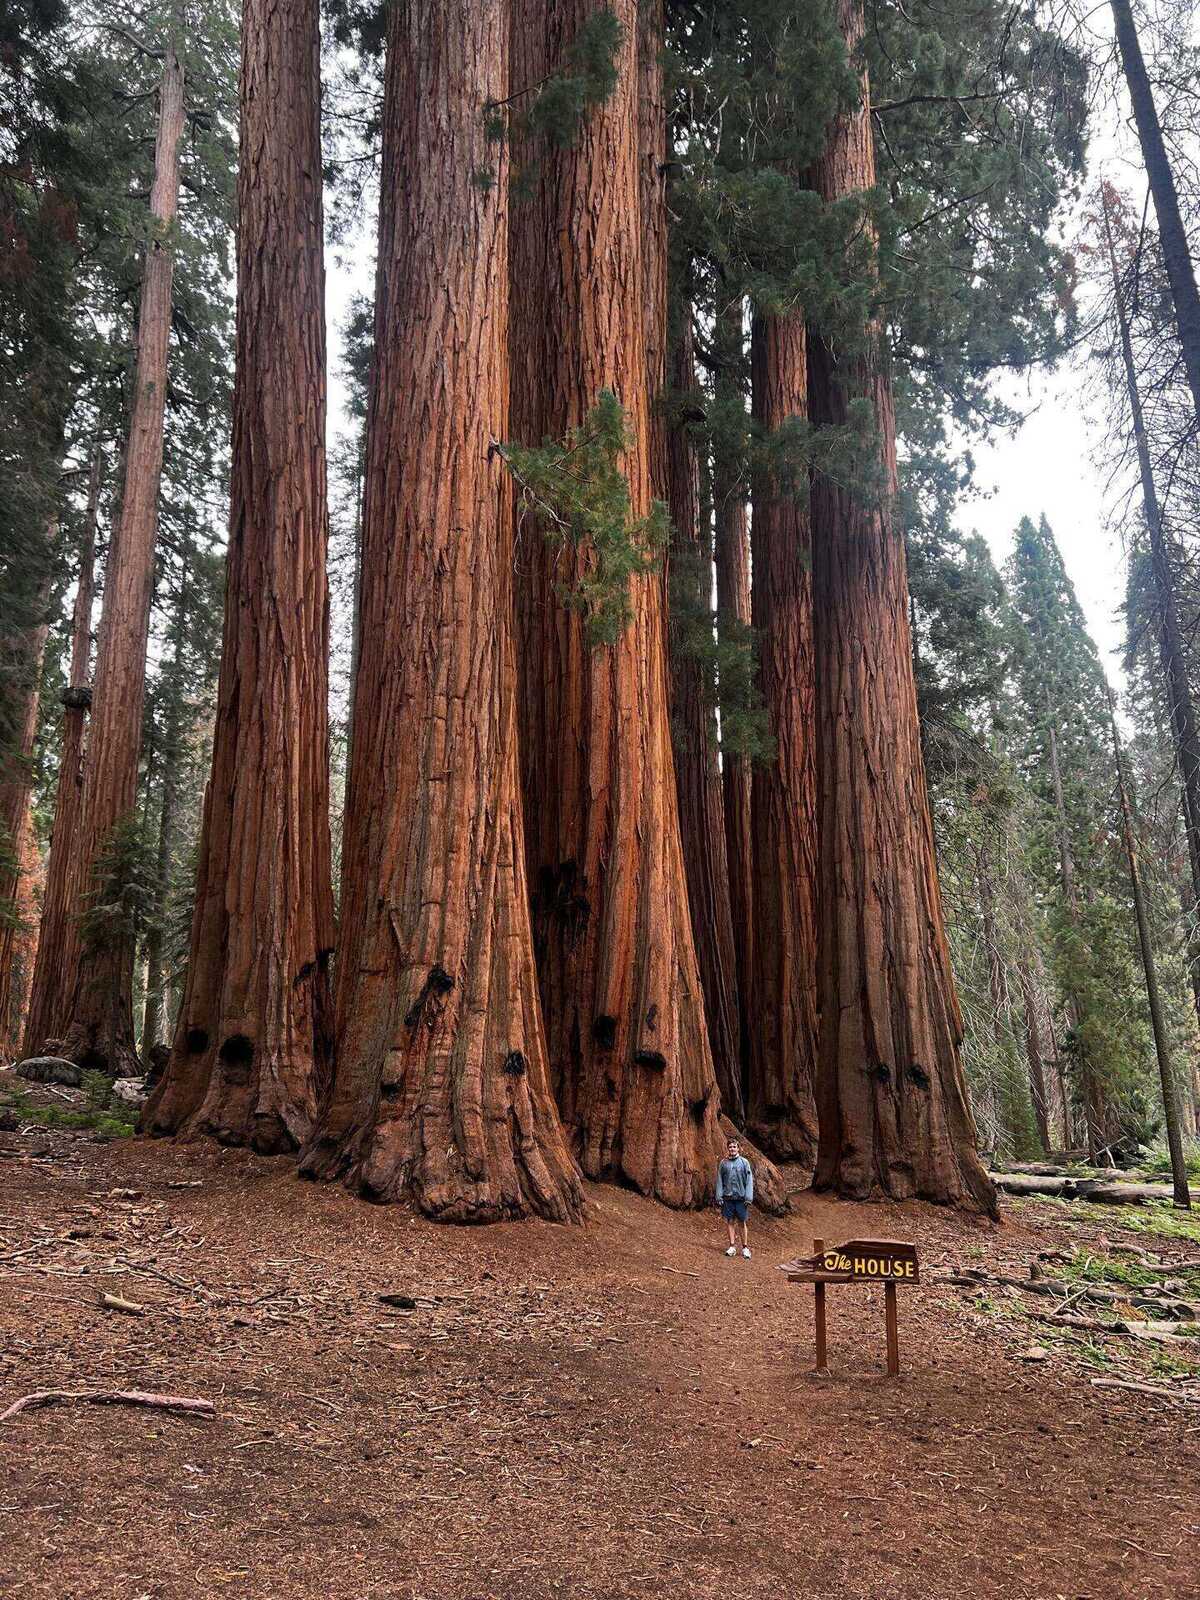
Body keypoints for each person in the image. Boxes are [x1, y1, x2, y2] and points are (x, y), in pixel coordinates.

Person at [716, 1136, 754, 1258]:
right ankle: (732, 1246)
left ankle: (745, 1248)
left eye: (734, 1147)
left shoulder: (744, 1162)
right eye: (730, 1147)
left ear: (738, 1149)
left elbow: (749, 1180)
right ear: (728, 1149)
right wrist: (719, 1196)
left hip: (741, 1198)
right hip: (728, 1198)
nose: (732, 1149)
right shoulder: (723, 1163)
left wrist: (748, 1197)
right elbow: (719, 1180)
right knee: (730, 1221)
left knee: (742, 1222)